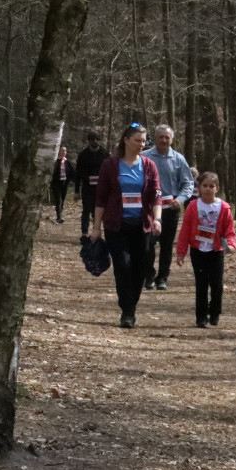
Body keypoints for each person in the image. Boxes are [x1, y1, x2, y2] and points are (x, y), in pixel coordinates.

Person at [88, 123, 162, 328]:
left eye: (144, 141)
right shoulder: (110, 166)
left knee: (139, 268)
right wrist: (96, 228)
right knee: (122, 266)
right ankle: (127, 311)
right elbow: (100, 199)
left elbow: (156, 196)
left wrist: (157, 219)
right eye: (137, 140)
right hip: (116, 226)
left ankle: (131, 305)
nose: (141, 144)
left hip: (142, 226)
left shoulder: (149, 165)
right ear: (126, 140)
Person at [176, 172, 236, 328]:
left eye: (211, 186)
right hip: (198, 250)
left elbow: (229, 229)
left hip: (216, 251)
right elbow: (185, 230)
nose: (208, 189)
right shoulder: (192, 206)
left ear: (217, 188)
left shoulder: (223, 207)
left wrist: (231, 244)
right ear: (199, 187)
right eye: (205, 186)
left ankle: (215, 312)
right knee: (201, 284)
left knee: (216, 284)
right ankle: (201, 317)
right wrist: (181, 252)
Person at [142, 124, 194, 291]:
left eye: (167, 137)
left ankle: (162, 278)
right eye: (161, 137)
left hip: (170, 208)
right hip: (149, 208)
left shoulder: (178, 159)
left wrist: (180, 199)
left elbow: (188, 183)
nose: (164, 140)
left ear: (172, 139)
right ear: (155, 138)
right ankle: (148, 276)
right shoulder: (144, 157)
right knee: (148, 244)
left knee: (166, 245)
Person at [75, 131, 109, 243]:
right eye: (92, 139)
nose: (95, 142)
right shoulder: (83, 155)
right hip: (87, 188)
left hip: (101, 189)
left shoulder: (104, 154)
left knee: (98, 211)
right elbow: (78, 174)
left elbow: (109, 172)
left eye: (97, 139)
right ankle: (84, 232)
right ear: (88, 141)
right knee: (86, 210)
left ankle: (96, 231)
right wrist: (76, 191)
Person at [50, 146, 75, 223]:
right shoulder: (55, 161)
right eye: (62, 151)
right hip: (56, 183)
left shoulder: (67, 162)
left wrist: (76, 181)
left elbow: (72, 173)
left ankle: (60, 214)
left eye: (65, 151)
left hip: (65, 184)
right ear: (59, 151)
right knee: (58, 200)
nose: (63, 152)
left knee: (62, 200)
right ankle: (59, 217)